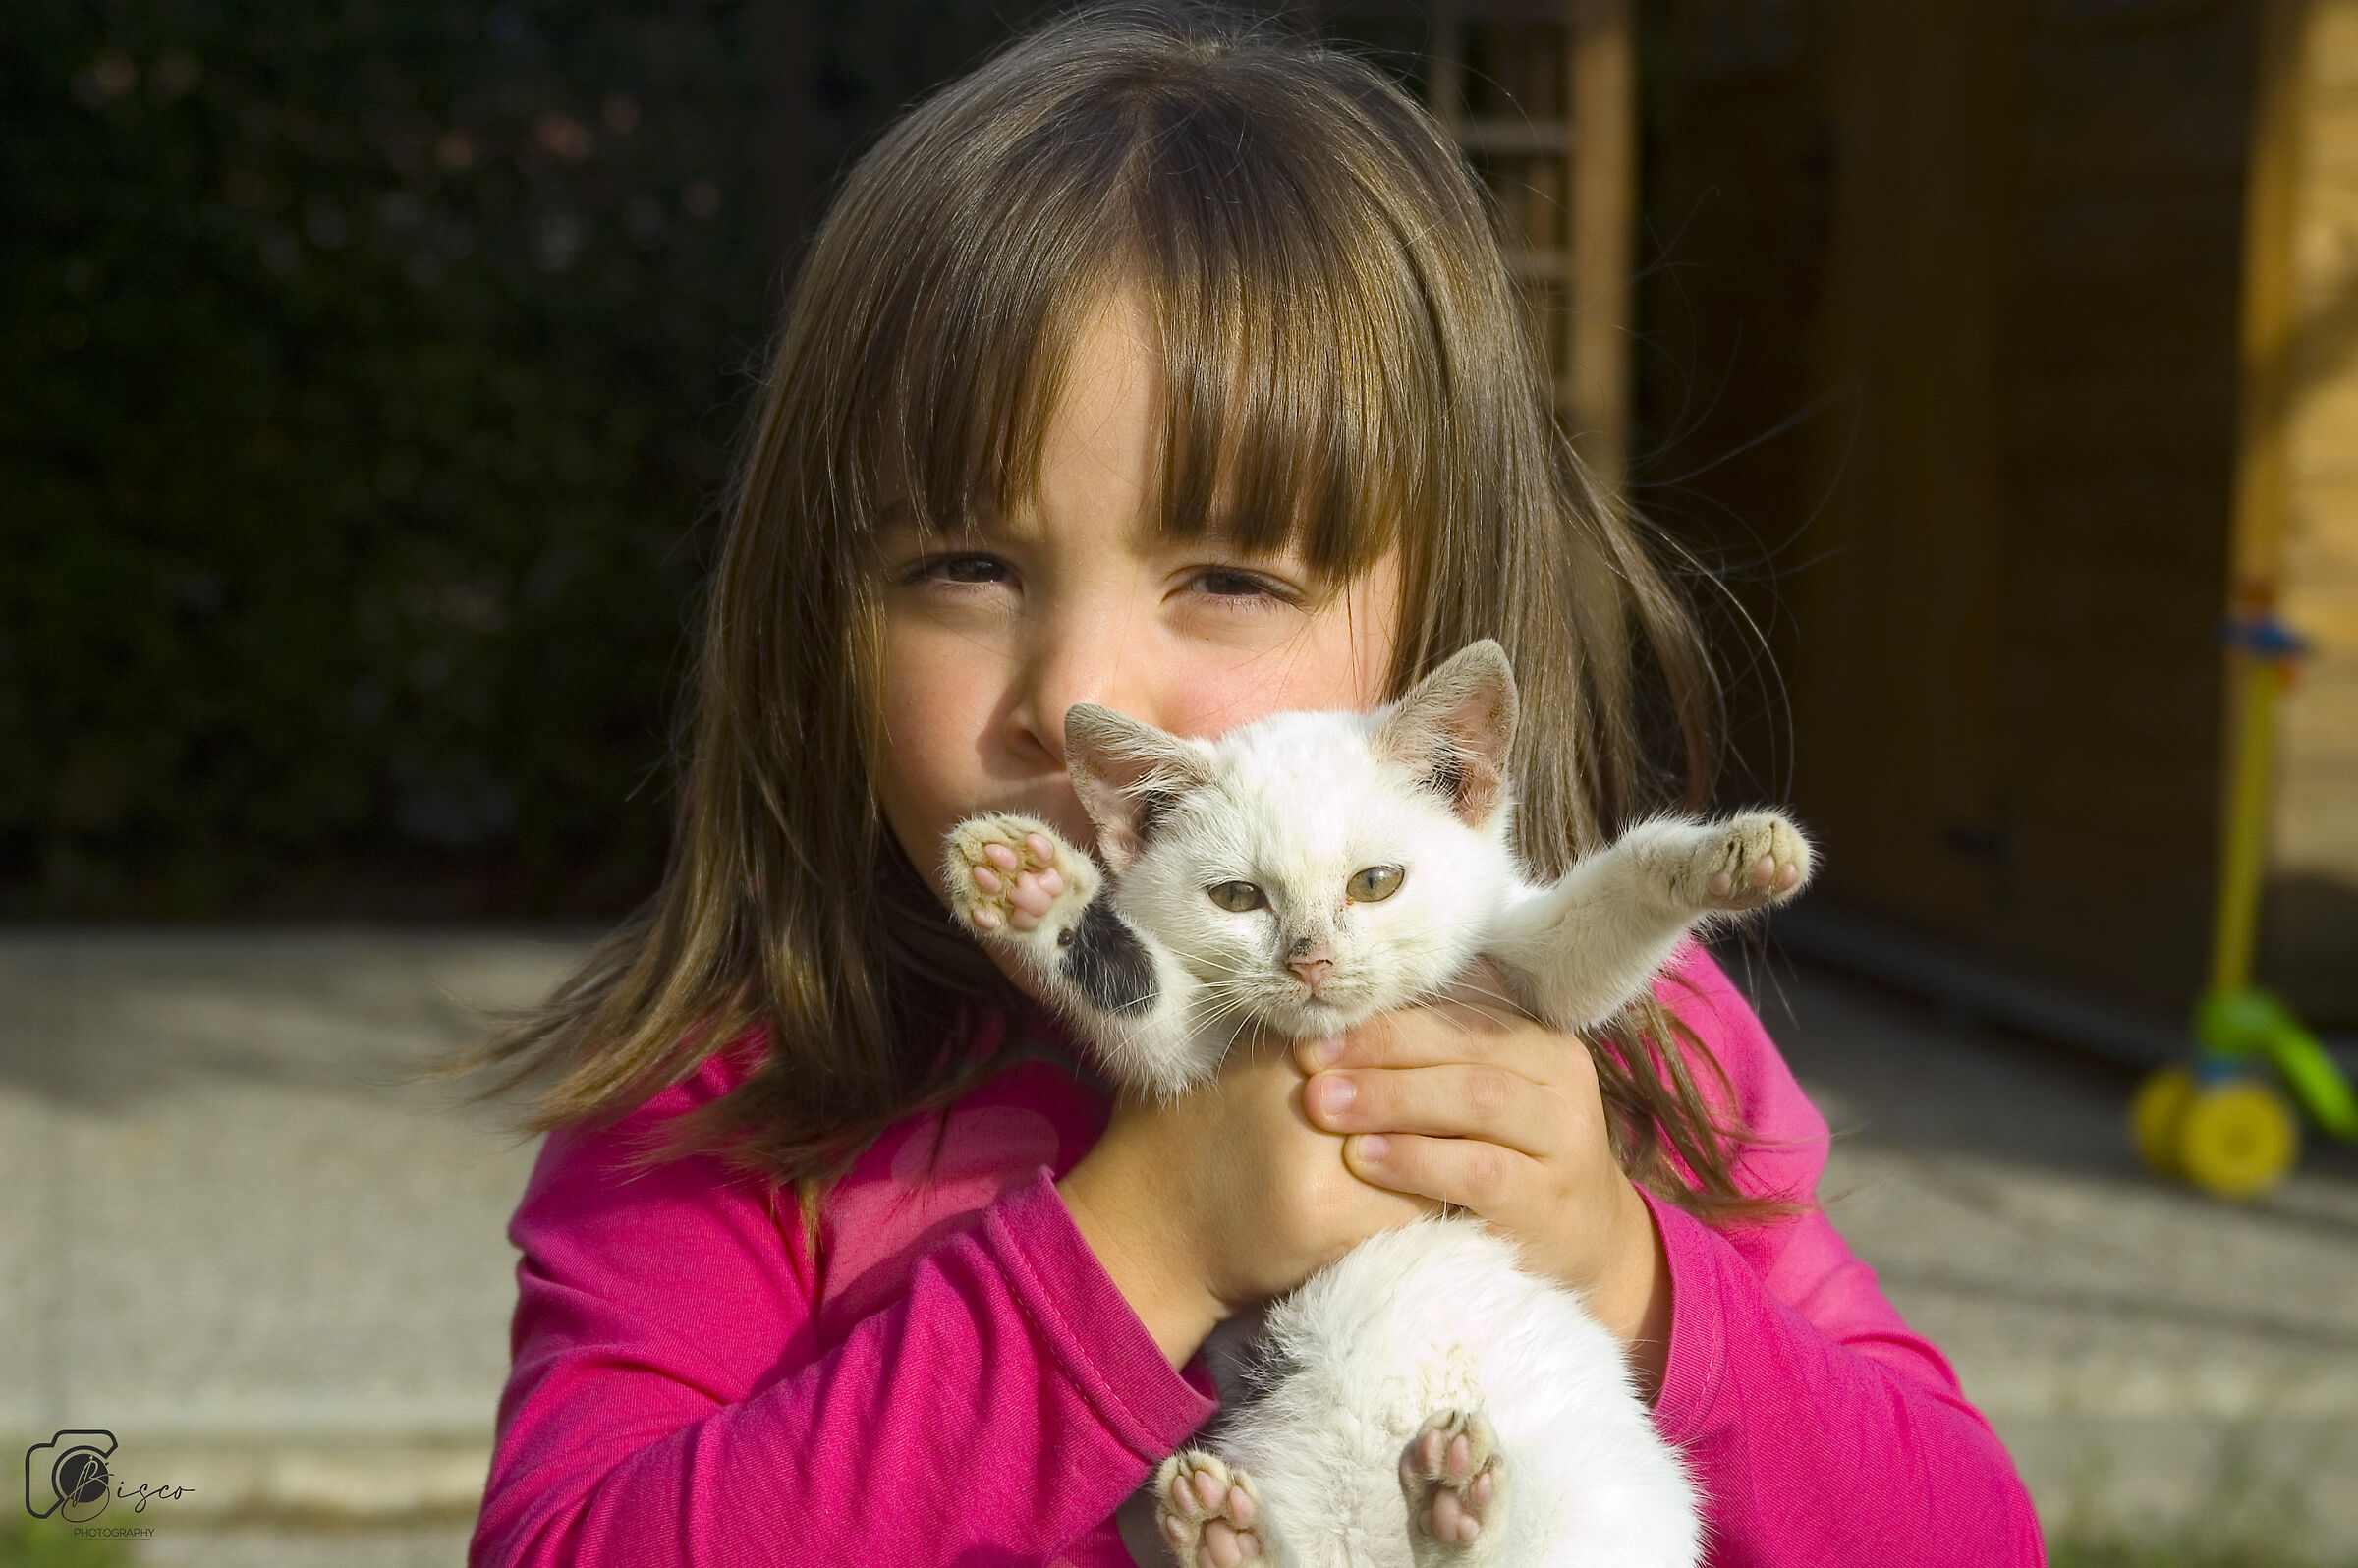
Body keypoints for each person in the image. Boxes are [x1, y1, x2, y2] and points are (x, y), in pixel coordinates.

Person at [462, 7, 2045, 1565]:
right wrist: (1138, 1252)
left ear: (1439, 661)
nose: (1077, 696)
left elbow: (1972, 1539)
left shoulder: (1625, 1054)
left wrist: (1620, 1268)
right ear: (821, 614)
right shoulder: (732, 1105)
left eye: (1225, 576)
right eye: (964, 564)